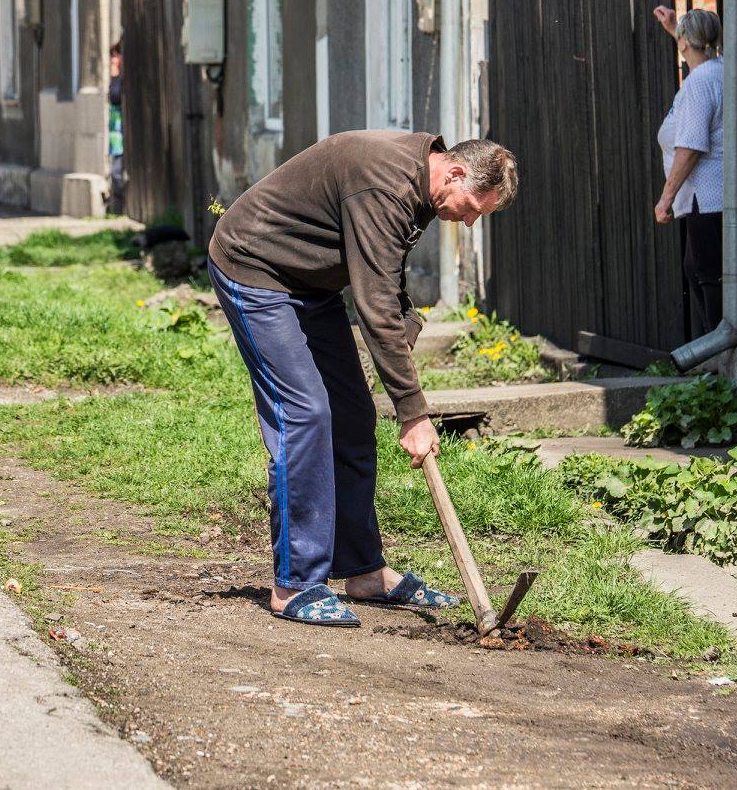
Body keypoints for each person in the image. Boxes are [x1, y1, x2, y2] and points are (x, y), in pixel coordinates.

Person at [207, 132, 518, 626]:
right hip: (255, 267)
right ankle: (294, 585)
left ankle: (362, 571)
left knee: (352, 415)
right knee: (305, 412)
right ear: (456, 173)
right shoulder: (385, 184)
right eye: (474, 208)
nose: (471, 219)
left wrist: (405, 322)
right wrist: (413, 414)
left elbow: (382, 273)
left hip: (309, 282)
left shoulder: (421, 185)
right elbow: (372, 308)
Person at [652, 6, 725, 340]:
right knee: (698, 269)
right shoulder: (719, 70)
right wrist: (674, 29)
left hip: (704, 197)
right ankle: (716, 345)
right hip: (714, 196)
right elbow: (697, 52)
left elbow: (691, 146)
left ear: (685, 43)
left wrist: (665, 199)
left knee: (705, 274)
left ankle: (718, 350)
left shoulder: (698, 83)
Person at [107, 42, 125, 214]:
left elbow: (115, 97)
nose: (113, 60)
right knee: (116, 170)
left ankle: (120, 209)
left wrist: (114, 77)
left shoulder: (121, 79)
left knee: (117, 172)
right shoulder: (118, 78)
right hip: (116, 134)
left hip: (122, 133)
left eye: (115, 56)